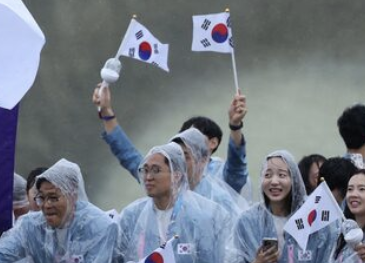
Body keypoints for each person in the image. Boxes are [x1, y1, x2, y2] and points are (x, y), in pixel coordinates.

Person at [92, 82, 249, 194]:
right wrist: (106, 112)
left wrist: (235, 125)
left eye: (193, 138)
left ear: (212, 143)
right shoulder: (166, 175)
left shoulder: (222, 177)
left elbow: (237, 168)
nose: (185, 143)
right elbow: (129, 156)